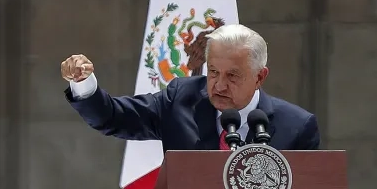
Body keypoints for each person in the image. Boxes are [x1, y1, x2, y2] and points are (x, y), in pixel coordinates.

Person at [60, 24, 320, 151]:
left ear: (260, 77)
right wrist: (84, 85)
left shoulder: (296, 127)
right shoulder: (181, 100)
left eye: (232, 76)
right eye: (214, 72)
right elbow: (113, 117)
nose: (219, 85)